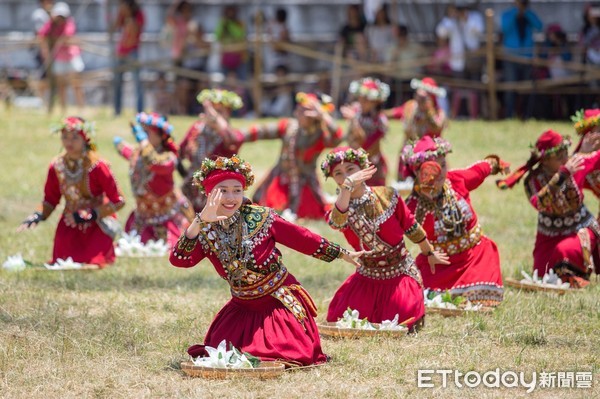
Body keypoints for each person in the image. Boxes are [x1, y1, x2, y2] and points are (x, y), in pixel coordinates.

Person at [169, 155, 362, 367]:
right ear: (209, 193)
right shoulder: (205, 229)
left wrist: (341, 253)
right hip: (242, 308)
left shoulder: (262, 217)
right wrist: (198, 222)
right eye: (222, 190)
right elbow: (179, 260)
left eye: (237, 190)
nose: (231, 197)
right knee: (228, 356)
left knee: (283, 354)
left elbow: (302, 238)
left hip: (276, 305)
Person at [321, 147, 449, 329]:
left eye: (350, 169)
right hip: (367, 277)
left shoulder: (388, 195)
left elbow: (411, 227)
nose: (345, 176)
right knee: (342, 320)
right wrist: (348, 186)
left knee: (402, 320)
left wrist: (429, 253)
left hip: (399, 275)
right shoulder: (339, 207)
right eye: (338, 173)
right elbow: (336, 222)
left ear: (363, 170)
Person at [403, 136, 508, 306]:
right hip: (438, 265)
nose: (440, 172)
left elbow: (480, 169)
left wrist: (496, 163)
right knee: (422, 298)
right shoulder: (412, 206)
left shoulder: (456, 180)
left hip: (475, 258)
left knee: (481, 299)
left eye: (443, 165)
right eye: (432, 169)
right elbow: (391, 231)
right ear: (417, 172)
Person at [497, 129, 600, 288]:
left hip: (581, 227)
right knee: (541, 272)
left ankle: (576, 275)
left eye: (566, 154)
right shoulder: (533, 180)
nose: (565, 159)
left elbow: (595, 158)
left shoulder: (574, 165)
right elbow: (539, 203)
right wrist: (562, 175)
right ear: (544, 161)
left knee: (563, 252)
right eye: (559, 157)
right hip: (549, 233)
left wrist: (581, 153)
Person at [17, 117, 125, 266]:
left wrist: (91, 214)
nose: (69, 142)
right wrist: (38, 215)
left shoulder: (98, 166)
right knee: (62, 262)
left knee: (93, 262)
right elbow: (50, 199)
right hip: (69, 225)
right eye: (65, 137)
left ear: (85, 138)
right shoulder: (57, 166)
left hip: (97, 225)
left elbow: (119, 201)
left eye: (75, 137)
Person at [244, 92, 343, 220]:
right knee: (264, 204)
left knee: (310, 212)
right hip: (281, 177)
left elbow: (338, 137)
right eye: (298, 109)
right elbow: (263, 131)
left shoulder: (320, 136)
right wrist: (239, 136)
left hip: (305, 182)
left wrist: (323, 115)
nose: (298, 113)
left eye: (304, 111)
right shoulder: (289, 126)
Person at [113, 112, 194, 247]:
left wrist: (143, 142)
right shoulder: (138, 153)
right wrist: (119, 143)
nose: (142, 137)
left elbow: (153, 162)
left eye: (147, 132)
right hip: (143, 215)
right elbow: (127, 150)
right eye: (142, 132)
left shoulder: (168, 158)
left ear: (161, 136)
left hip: (168, 216)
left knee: (173, 246)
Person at [178, 89, 245, 212]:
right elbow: (179, 153)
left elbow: (233, 140)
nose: (212, 115)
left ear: (227, 114)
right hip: (190, 193)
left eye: (219, 112)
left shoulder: (232, 136)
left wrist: (214, 116)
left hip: (218, 196)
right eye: (210, 110)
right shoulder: (196, 128)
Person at [385, 77, 448, 181]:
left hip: (429, 158)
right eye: (418, 96)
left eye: (424, 98)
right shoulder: (410, 106)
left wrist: (429, 112)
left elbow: (437, 128)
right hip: (408, 155)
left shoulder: (438, 113)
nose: (419, 100)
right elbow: (395, 112)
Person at [342, 77, 390, 186]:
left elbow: (365, 145)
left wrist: (354, 120)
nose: (361, 102)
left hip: (373, 167)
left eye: (366, 99)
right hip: (354, 165)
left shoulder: (380, 121)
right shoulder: (356, 111)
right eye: (360, 98)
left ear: (375, 102)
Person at [38, 2, 85, 112]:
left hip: (71, 56)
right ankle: (63, 109)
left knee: (76, 84)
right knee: (61, 86)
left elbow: (68, 34)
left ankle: (81, 108)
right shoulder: (50, 24)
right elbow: (42, 35)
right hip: (59, 58)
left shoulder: (69, 23)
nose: (60, 19)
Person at [500, 0, 543, 118]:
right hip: (511, 57)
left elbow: (539, 26)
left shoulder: (529, 14)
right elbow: (505, 28)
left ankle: (525, 115)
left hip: (527, 57)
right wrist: (516, 11)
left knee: (526, 88)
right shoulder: (508, 14)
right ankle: (509, 115)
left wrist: (526, 12)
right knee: (510, 88)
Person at [166, 0, 208, 115]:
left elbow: (205, 45)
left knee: (203, 85)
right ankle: (182, 113)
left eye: (188, 10)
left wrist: (195, 38)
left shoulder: (196, 24)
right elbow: (169, 18)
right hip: (182, 63)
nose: (186, 13)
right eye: (183, 10)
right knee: (182, 86)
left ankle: (203, 112)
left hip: (197, 67)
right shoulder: (178, 23)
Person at [112, 0, 144, 116]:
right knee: (117, 82)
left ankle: (140, 111)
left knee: (137, 83)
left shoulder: (137, 16)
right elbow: (115, 27)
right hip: (121, 52)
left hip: (131, 52)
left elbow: (132, 38)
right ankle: (117, 110)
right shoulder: (123, 15)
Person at [215, 5, 247, 80]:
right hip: (226, 58)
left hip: (239, 58)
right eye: (228, 12)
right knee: (224, 82)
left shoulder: (240, 23)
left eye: (232, 12)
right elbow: (217, 36)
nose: (230, 14)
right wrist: (223, 24)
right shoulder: (222, 23)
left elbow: (240, 35)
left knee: (242, 82)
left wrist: (229, 24)